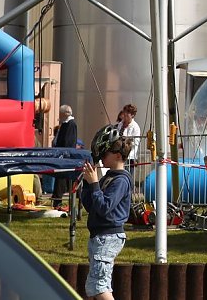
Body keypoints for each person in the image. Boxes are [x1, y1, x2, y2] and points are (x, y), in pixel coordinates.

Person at [81, 126, 133, 300]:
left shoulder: (121, 181)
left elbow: (104, 208)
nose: (101, 158)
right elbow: (92, 206)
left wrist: (96, 185)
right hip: (99, 236)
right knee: (94, 285)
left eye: (104, 154)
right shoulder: (108, 176)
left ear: (118, 156)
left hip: (108, 237)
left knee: (99, 285)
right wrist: (89, 184)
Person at [52, 104, 78, 210]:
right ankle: (57, 200)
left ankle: (59, 200)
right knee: (61, 179)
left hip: (65, 156)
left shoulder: (71, 124)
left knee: (64, 179)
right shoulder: (65, 124)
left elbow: (68, 141)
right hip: (62, 155)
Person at [116, 103, 141, 174]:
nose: (125, 115)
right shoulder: (120, 124)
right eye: (125, 113)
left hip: (130, 156)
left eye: (127, 114)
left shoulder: (135, 127)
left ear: (132, 115)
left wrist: (125, 141)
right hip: (119, 154)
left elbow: (135, 143)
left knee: (128, 175)